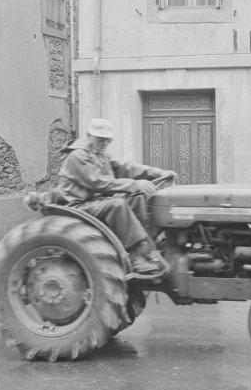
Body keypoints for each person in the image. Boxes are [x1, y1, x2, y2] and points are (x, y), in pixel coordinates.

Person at [56, 118, 176, 275]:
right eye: (100, 139)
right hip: (79, 205)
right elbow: (98, 182)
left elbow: (125, 168)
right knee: (117, 204)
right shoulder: (77, 156)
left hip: (96, 202)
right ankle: (135, 256)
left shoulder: (100, 154)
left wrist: (157, 173)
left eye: (107, 140)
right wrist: (135, 184)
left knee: (138, 197)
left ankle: (148, 246)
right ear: (88, 135)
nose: (104, 143)